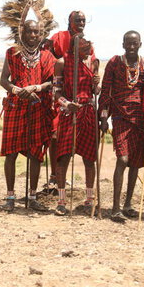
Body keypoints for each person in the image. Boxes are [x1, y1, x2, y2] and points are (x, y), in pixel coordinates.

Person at [0, 0, 58, 212]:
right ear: (22, 32)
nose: (33, 36)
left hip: (38, 108)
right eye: (29, 32)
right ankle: (10, 196)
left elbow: (52, 82)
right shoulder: (12, 53)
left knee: (36, 154)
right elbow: (3, 80)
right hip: (16, 107)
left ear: (42, 34)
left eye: (37, 33)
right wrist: (17, 89)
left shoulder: (48, 56)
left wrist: (37, 87)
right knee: (11, 153)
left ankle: (31, 196)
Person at [98, 31, 144, 222]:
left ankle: (128, 204)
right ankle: (115, 207)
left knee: (135, 163)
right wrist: (104, 117)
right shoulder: (114, 62)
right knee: (123, 159)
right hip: (120, 115)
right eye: (128, 43)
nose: (131, 46)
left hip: (139, 119)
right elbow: (105, 90)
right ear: (123, 44)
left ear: (140, 44)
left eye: (134, 43)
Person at [44, 10, 94, 186]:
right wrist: (63, 66)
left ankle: (69, 182)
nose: (81, 23)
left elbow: (90, 67)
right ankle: (54, 176)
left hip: (80, 98)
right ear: (70, 21)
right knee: (55, 136)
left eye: (83, 20)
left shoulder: (87, 44)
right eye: (77, 20)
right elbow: (46, 56)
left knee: (83, 146)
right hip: (59, 91)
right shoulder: (58, 37)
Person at [53, 35, 100, 216]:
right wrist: (67, 104)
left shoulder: (93, 63)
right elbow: (56, 92)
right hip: (69, 112)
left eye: (89, 46)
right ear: (74, 48)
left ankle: (89, 200)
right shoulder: (62, 63)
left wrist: (97, 86)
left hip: (88, 112)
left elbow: (95, 91)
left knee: (89, 158)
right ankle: (61, 201)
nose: (88, 49)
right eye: (84, 47)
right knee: (63, 157)